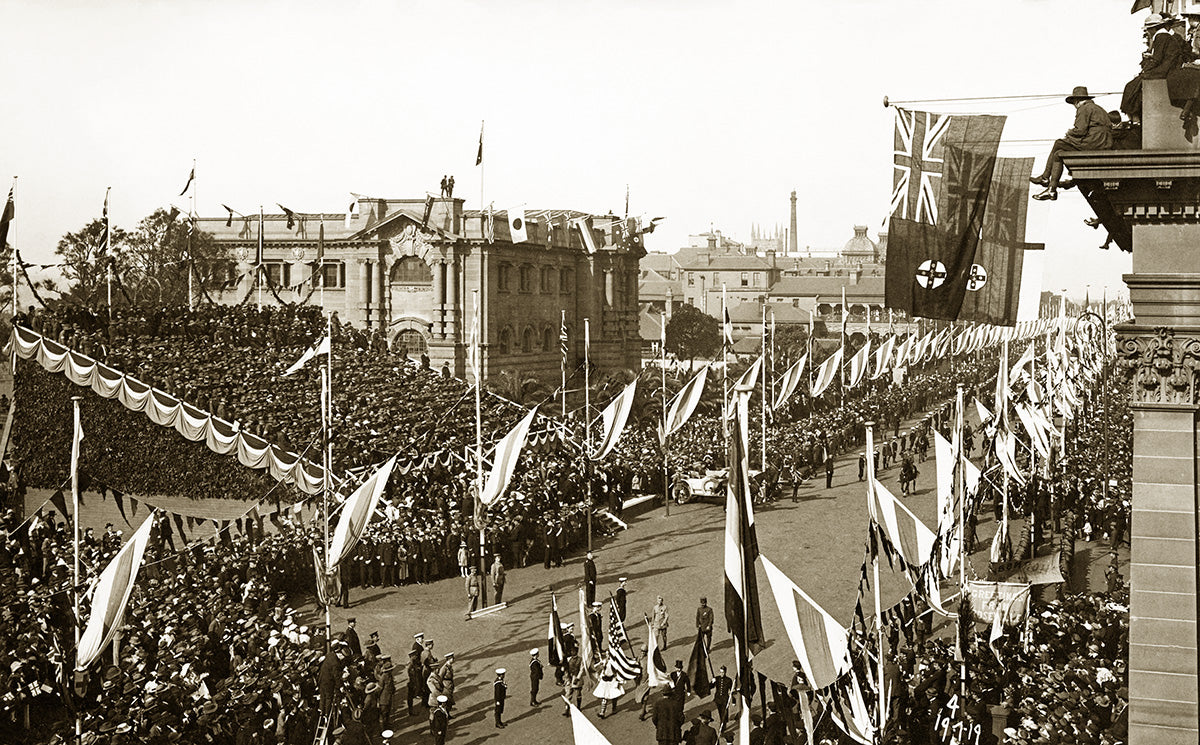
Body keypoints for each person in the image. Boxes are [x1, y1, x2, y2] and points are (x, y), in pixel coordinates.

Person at [1031, 86, 1113, 201]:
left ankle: (1045, 177)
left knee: (1059, 143)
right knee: (1058, 154)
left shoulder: (1084, 109)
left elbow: (1080, 130)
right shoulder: (1098, 108)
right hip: (1103, 142)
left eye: (1074, 104)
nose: (1074, 107)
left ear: (1077, 101)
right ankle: (1051, 189)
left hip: (1093, 142)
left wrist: (1069, 133)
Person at [1121, 13, 1186, 122]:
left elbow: (1157, 60)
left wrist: (1144, 71)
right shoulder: (1165, 36)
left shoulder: (1161, 37)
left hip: (1166, 69)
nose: (1148, 32)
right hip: (1168, 67)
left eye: (1148, 29)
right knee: (1136, 83)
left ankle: (1134, 115)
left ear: (1154, 28)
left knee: (1132, 85)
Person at [711, 665, 733, 732]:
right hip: (718, 699)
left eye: (723, 672)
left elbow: (732, 691)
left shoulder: (728, 680)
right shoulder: (717, 678)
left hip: (724, 699)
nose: (721, 674)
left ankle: (722, 726)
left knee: (724, 712)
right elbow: (710, 687)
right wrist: (712, 682)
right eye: (720, 672)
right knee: (720, 713)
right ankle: (723, 722)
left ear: (725, 672)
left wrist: (733, 701)